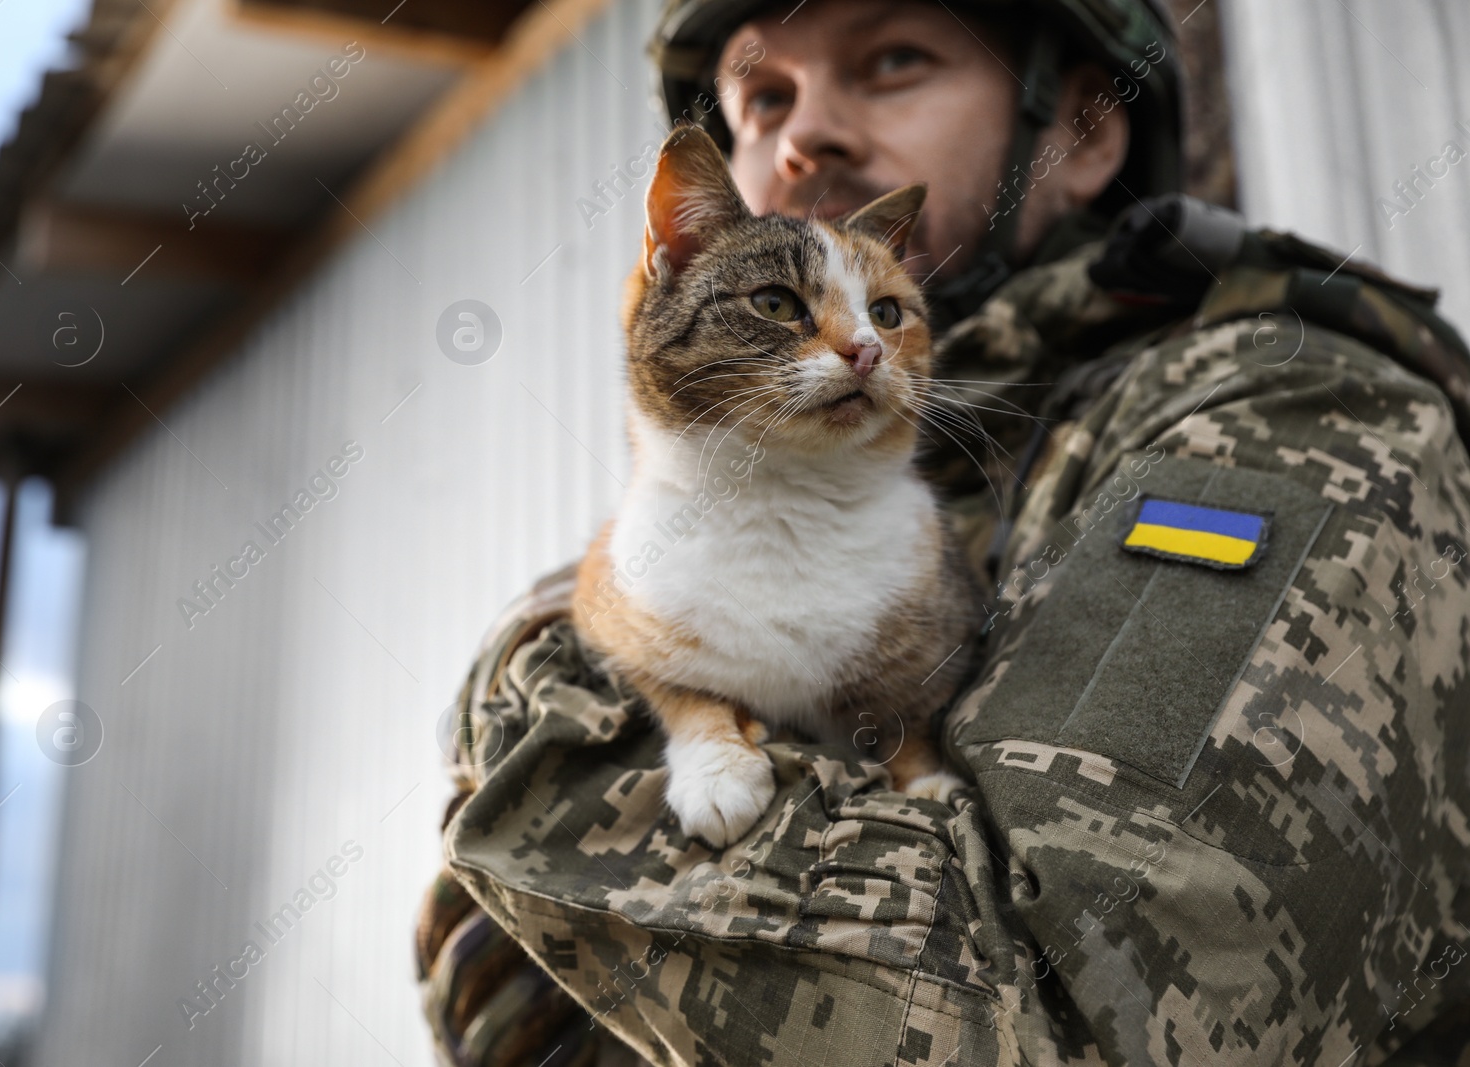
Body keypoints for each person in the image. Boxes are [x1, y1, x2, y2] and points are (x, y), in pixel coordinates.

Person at [417, 1, 1470, 1063]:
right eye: (762, 95)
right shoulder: (790, 475)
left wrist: (545, 734)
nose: (802, 136)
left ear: (1082, 130)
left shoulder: (1276, 416)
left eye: (892, 61)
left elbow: (1057, 1015)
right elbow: (503, 1013)